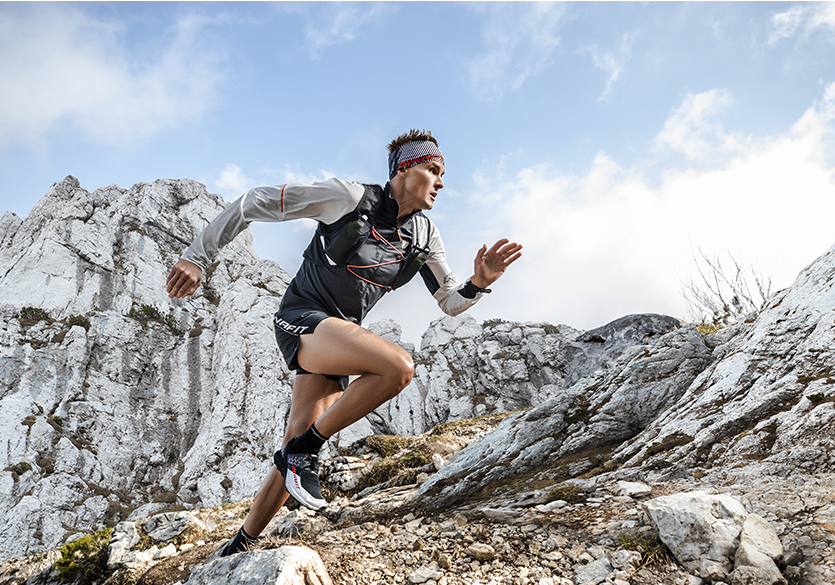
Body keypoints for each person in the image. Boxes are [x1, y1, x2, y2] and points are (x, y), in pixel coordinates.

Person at [166, 130, 522, 556]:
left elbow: (448, 301)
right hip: (303, 317)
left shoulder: (426, 236)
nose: (441, 182)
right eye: (434, 170)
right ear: (405, 170)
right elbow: (253, 202)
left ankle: (242, 542)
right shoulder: (348, 198)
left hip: (340, 334)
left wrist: (479, 283)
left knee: (293, 443)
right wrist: (196, 256)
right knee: (398, 367)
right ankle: (307, 449)